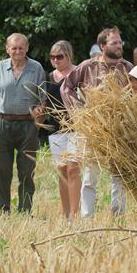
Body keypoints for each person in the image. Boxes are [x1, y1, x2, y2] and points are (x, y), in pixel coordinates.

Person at [62, 26, 133, 218]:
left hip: (119, 129)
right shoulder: (88, 66)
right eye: (114, 43)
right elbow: (67, 87)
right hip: (93, 130)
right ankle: (87, 218)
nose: (119, 46)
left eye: (120, 42)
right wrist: (78, 112)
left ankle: (118, 216)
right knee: (89, 177)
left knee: (119, 174)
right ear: (102, 45)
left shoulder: (127, 68)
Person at [0, 33, 47, 213]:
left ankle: (25, 211)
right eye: (14, 48)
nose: (17, 51)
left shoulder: (37, 69)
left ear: (27, 48)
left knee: (27, 171)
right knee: (0, 171)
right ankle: (2, 210)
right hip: (3, 124)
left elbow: (44, 100)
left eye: (21, 47)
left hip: (28, 126)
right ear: (7, 49)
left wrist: (38, 122)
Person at [44, 40, 80, 221]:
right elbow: (44, 102)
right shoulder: (49, 77)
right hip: (56, 128)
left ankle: (75, 214)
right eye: (52, 57)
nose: (56, 60)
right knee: (62, 171)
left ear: (68, 55)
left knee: (73, 169)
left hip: (76, 127)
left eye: (59, 56)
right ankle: (65, 215)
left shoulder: (77, 73)